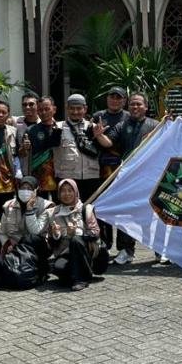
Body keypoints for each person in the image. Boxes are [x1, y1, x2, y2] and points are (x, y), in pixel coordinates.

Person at [93, 93, 159, 265]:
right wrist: (99, 135)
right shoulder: (123, 125)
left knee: (155, 213)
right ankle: (126, 250)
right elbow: (108, 142)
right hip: (129, 177)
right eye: (132, 105)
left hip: (151, 177)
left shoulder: (157, 126)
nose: (135, 107)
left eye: (138, 104)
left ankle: (160, 251)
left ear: (146, 107)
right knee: (126, 214)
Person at [49, 178, 107, 291]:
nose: (67, 194)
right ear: (59, 194)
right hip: (66, 252)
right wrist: (56, 234)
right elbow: (52, 243)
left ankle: (82, 279)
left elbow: (95, 233)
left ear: (75, 192)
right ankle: (78, 272)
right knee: (59, 268)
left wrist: (77, 233)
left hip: (87, 251)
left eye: (70, 190)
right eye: (63, 191)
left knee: (76, 240)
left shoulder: (86, 209)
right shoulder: (54, 212)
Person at [0, 175, 53, 289]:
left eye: (29, 188)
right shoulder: (9, 205)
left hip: (37, 246)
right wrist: (7, 243)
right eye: (23, 188)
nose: (25, 191)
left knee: (30, 238)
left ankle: (41, 269)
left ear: (36, 190)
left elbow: (36, 231)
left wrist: (30, 210)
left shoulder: (46, 206)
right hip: (14, 246)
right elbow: (2, 231)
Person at [57, 94, 102, 202]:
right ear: (67, 108)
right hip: (68, 178)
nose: (75, 112)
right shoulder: (57, 128)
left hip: (91, 178)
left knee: (89, 211)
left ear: (85, 109)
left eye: (79, 108)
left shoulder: (94, 127)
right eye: (72, 108)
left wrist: (99, 135)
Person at [23, 96, 62, 198]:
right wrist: (24, 148)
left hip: (60, 176)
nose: (43, 112)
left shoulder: (62, 128)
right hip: (39, 179)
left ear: (54, 109)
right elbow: (22, 153)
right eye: (40, 110)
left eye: (47, 109)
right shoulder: (31, 130)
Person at [93, 87, 129, 179]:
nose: (114, 100)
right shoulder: (98, 116)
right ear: (107, 99)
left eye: (118, 98)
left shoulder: (129, 117)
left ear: (124, 101)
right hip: (100, 164)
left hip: (123, 163)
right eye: (112, 97)